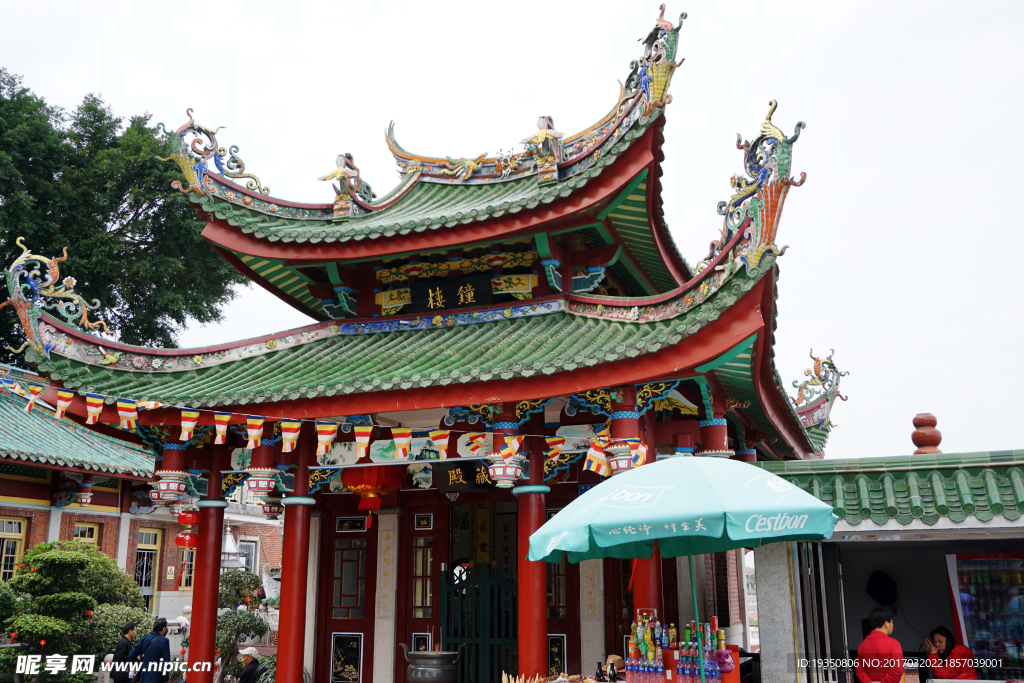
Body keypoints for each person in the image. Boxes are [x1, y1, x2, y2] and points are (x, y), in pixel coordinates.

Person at [855, 607, 905, 683]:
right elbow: (898, 670)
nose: (892, 625)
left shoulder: (862, 645)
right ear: (886, 624)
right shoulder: (894, 644)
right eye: (892, 622)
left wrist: (869, 682)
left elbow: (859, 670)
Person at [128, 618, 171, 683]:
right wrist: (166, 680)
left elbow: (131, 655)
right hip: (157, 678)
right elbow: (166, 662)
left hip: (143, 677)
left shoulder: (144, 639)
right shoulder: (164, 641)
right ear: (164, 629)